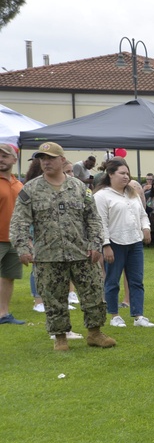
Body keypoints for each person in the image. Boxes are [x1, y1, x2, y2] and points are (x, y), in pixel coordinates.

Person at [9, 141, 116, 351]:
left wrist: (96, 244)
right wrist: (23, 248)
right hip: (48, 255)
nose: (46, 162)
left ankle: (95, 333)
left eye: (50, 158)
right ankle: (60, 338)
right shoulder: (30, 189)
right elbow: (19, 221)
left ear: (62, 160)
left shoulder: (78, 187)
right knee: (53, 297)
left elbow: (93, 218)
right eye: (42, 159)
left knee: (93, 293)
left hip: (81, 252)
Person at [93, 158, 154, 329]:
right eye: (122, 173)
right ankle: (114, 315)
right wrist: (106, 245)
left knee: (136, 280)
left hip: (134, 242)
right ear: (111, 174)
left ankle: (138, 315)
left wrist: (146, 228)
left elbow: (142, 214)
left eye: (127, 173)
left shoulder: (132, 194)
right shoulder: (101, 196)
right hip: (115, 243)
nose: (126, 177)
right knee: (112, 280)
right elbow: (100, 222)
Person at [0, 142, 25, 325]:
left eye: (4, 155)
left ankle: (4, 314)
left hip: (14, 240)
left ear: (14, 159)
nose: (0, 159)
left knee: (8, 277)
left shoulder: (19, 185)